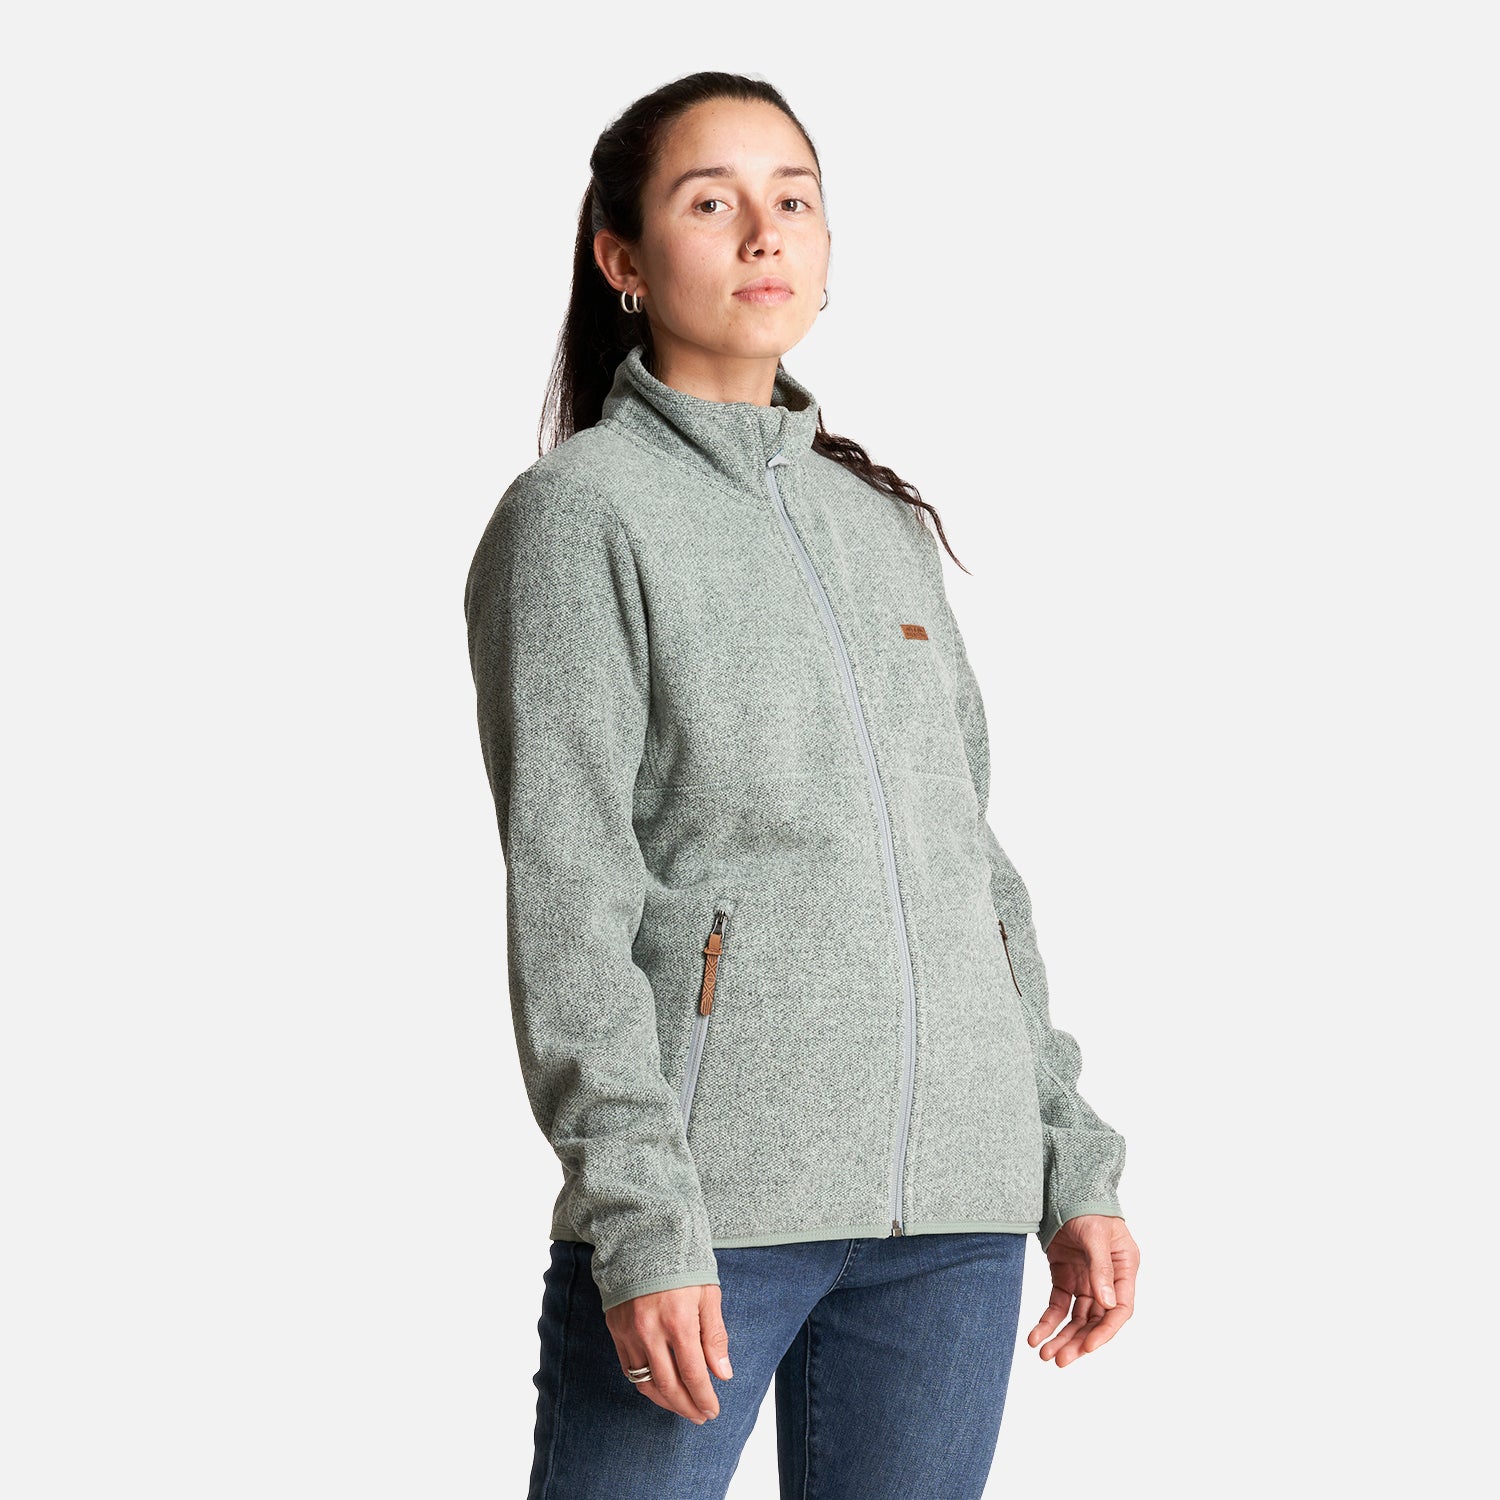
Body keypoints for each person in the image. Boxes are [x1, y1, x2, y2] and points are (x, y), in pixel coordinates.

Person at [464, 69, 1140, 1500]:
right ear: (624, 257)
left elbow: (972, 870)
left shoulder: (879, 524)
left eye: (795, 200)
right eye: (711, 202)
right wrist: (639, 1212)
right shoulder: (581, 516)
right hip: (710, 1213)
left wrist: (1065, 1157)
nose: (764, 232)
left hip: (954, 1215)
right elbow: (569, 892)